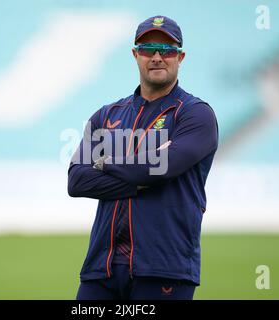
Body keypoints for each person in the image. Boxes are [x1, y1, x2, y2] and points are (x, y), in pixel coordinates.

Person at [67, 15, 218, 300]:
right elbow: (76, 181)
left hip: (163, 268)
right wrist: (140, 177)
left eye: (168, 50)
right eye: (148, 48)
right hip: (102, 269)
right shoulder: (108, 114)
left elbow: (165, 167)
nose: (158, 57)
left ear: (180, 57)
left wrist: (106, 161)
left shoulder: (195, 114)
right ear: (136, 54)